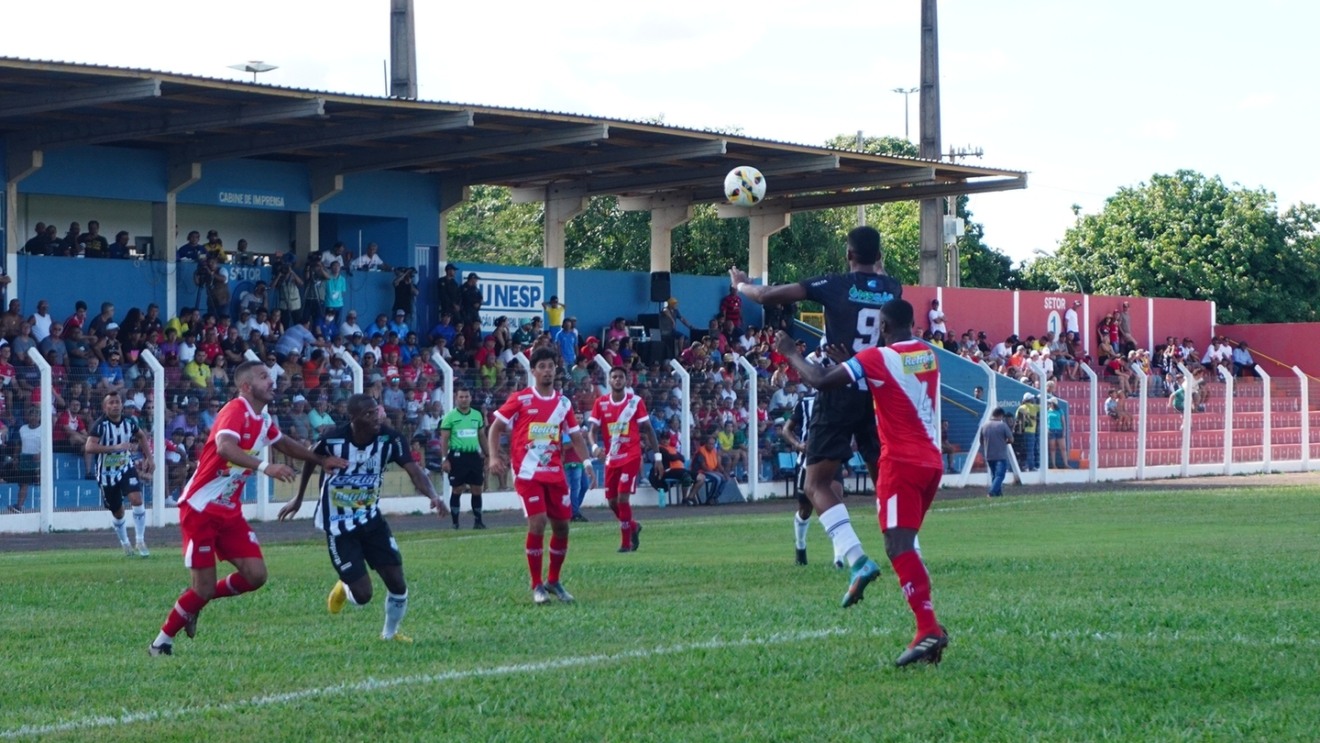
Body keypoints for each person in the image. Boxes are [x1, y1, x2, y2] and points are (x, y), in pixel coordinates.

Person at [730, 225, 899, 609]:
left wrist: (741, 285)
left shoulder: (836, 284)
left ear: (848, 255)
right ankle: (909, 551)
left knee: (815, 484)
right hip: (876, 391)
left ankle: (856, 559)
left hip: (838, 386)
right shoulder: (894, 289)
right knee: (884, 477)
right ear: (879, 256)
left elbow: (769, 296)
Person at [776, 298, 949, 667]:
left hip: (901, 463)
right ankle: (928, 630)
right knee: (902, 543)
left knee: (898, 544)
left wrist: (791, 353)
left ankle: (928, 627)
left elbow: (820, 380)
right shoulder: (927, 354)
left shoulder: (875, 358)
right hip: (931, 463)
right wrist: (851, 366)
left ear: (883, 327)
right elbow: (892, 382)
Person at [148, 360, 348, 657]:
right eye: (264, 377)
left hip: (228, 512)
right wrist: (266, 467)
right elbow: (224, 448)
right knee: (201, 587)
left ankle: (195, 602)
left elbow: (285, 444)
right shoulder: (235, 410)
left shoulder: (262, 418)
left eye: (271, 376)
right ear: (246, 386)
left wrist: (320, 460)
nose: (272, 381)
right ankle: (160, 643)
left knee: (256, 576)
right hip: (200, 509)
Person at [279, 394, 447, 643]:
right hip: (338, 524)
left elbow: (413, 470)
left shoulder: (390, 439)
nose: (376, 417)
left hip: (371, 520)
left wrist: (433, 495)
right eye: (368, 414)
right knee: (362, 596)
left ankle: (389, 635)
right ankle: (344, 586)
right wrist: (299, 498)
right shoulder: (333, 438)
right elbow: (310, 460)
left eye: (376, 412)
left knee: (397, 583)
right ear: (354, 418)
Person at [486, 347, 596, 604]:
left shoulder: (563, 403)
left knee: (562, 527)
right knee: (538, 523)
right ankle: (536, 585)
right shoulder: (521, 399)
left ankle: (553, 580)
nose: (547, 371)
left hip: (555, 473)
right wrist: (493, 456)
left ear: (556, 370)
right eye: (542, 366)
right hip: (527, 473)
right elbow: (496, 427)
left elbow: (576, 436)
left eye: (551, 366)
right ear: (533, 371)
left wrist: (587, 463)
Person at [586, 366, 659, 553]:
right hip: (612, 457)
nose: (618, 380)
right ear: (609, 381)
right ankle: (633, 526)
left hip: (631, 455)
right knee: (612, 501)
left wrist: (657, 457)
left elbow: (648, 429)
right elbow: (592, 431)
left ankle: (626, 543)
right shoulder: (601, 403)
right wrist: (594, 448)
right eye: (614, 377)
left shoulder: (635, 402)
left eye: (621, 377)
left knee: (622, 497)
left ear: (627, 381)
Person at [85, 391, 155, 556]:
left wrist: (150, 458)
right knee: (118, 511)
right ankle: (125, 543)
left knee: (136, 499)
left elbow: (142, 437)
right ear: (105, 407)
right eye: (111, 403)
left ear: (122, 405)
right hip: (106, 474)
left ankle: (140, 541)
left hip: (125, 467)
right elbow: (89, 447)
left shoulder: (130, 422)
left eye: (117, 402)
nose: (115, 405)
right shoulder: (100, 425)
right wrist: (113, 448)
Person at [781, 389, 844, 567]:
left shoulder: (842, 401)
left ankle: (839, 557)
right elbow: (786, 430)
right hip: (806, 463)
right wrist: (798, 445)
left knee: (836, 504)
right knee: (805, 510)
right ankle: (800, 545)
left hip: (832, 458)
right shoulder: (804, 403)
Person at [438, 387, 488, 529]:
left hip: (473, 455)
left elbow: (482, 436)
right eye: (461, 397)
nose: (464, 399)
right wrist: (444, 459)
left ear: (470, 398)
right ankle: (455, 523)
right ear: (456, 398)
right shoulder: (450, 417)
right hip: (457, 456)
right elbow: (444, 439)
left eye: (466, 396)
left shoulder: (477, 415)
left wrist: (488, 454)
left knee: (477, 488)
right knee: (457, 489)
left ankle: (478, 521)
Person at [980, 408, 1014, 498]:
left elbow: (981, 441)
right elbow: (1011, 439)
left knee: (994, 475)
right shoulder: (1002, 425)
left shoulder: (985, 425)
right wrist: (1005, 442)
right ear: (1001, 415)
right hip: (1000, 455)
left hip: (989, 455)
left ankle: (998, 493)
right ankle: (991, 492)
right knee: (1000, 475)